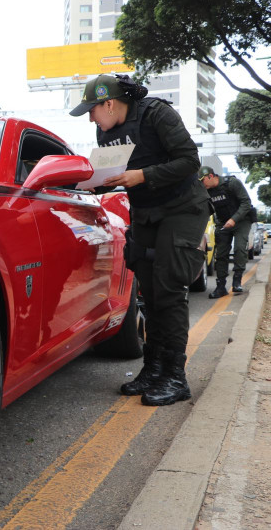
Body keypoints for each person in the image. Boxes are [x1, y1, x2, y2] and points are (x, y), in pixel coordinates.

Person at [70, 74, 211, 406]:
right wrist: (85, 182)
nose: (91, 118)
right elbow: (108, 176)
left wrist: (143, 175)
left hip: (182, 208)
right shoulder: (104, 131)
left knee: (169, 288)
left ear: (109, 103)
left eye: (92, 110)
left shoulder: (156, 114)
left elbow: (190, 161)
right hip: (146, 212)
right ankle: (153, 369)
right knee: (147, 290)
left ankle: (175, 378)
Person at [198, 166, 252, 298]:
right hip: (223, 223)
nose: (202, 184)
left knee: (239, 249)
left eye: (202, 180)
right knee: (220, 254)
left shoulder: (232, 183)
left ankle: (237, 281)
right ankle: (221, 287)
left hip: (241, 221)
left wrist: (234, 219)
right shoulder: (207, 192)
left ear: (210, 176)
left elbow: (246, 202)